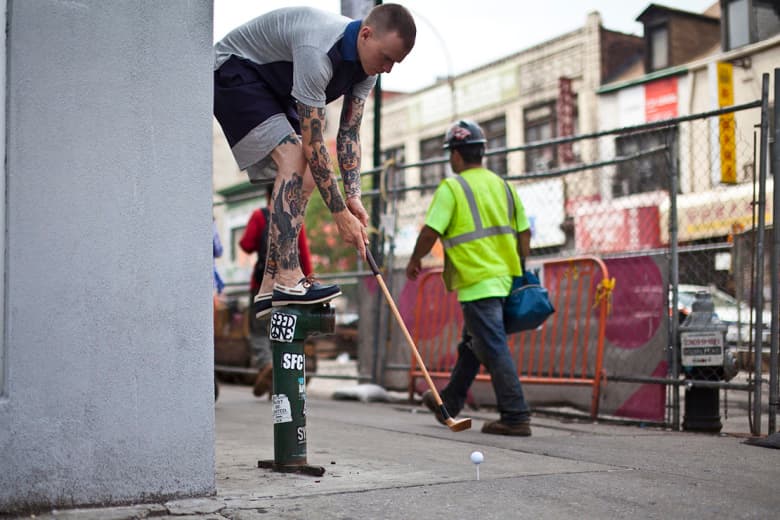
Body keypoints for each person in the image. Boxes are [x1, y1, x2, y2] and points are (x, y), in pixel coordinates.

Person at [214, 4, 416, 318]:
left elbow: (349, 134)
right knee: (295, 155)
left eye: (395, 63)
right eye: (387, 57)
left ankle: (271, 286)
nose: (388, 68)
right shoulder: (319, 49)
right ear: (366, 34)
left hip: (275, 87)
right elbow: (314, 143)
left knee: (306, 175)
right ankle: (288, 278)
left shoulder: (368, 71)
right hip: (235, 70)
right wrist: (340, 216)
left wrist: (353, 198)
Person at [405, 120, 534, 436]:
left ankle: (516, 416)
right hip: (505, 280)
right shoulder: (503, 186)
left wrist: (415, 259)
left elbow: (431, 230)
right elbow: (524, 232)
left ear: (457, 156)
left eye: (450, 153)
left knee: (492, 345)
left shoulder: (453, 188)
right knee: (473, 344)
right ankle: (449, 402)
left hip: (478, 282)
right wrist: (518, 267)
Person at [240, 186, 313, 397]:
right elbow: (304, 256)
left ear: (266, 194)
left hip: (261, 285)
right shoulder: (294, 218)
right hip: (288, 287)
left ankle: (265, 365)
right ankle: (280, 379)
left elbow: (246, 245)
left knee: (258, 331)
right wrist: (307, 283)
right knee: (282, 331)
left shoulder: (259, 216)